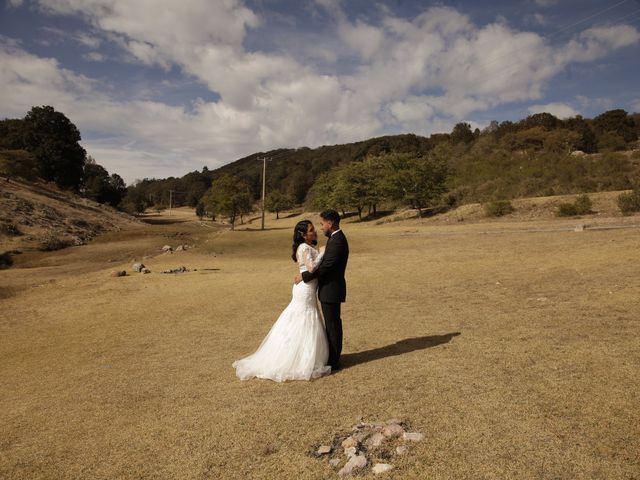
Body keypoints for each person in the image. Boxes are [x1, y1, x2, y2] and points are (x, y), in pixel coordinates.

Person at [232, 220, 331, 382]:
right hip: (304, 290)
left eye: (314, 229)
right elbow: (312, 268)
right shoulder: (304, 247)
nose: (315, 232)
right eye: (311, 230)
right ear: (303, 235)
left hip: (308, 288)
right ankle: (293, 358)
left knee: (305, 319)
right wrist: (322, 253)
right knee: (302, 319)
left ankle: (303, 355)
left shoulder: (307, 247)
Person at [295, 210, 349, 371]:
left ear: (330, 223)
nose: (321, 227)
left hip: (331, 290)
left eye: (322, 223)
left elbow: (326, 267)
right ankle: (331, 357)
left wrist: (304, 276)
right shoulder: (334, 239)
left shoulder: (337, 241)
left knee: (332, 325)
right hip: (327, 289)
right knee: (331, 324)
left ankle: (333, 360)